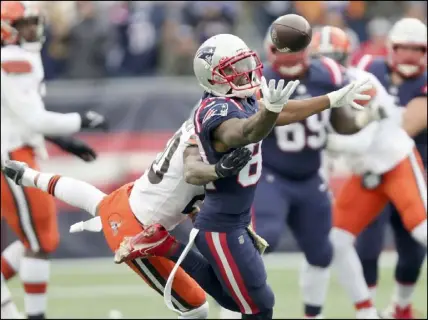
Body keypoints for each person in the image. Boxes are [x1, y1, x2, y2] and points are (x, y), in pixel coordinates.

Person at [310, 25, 426, 319]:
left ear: (347, 57)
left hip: (396, 162)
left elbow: (362, 139)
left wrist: (323, 141)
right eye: (321, 59)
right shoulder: (310, 89)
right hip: (367, 173)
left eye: (335, 57)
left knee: (421, 231)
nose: (328, 66)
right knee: (336, 240)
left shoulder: (361, 82)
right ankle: (366, 311)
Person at [1, 2, 107, 319]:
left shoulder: (16, 58)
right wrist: (82, 120)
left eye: (34, 22)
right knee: (40, 240)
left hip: (17, 148)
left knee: (41, 236)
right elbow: (33, 118)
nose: (34, 29)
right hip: (10, 156)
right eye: (26, 23)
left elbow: (18, 117)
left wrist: (64, 141)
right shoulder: (13, 59)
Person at [355, 18, 427, 319]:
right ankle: (368, 310)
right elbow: (350, 113)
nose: (410, 55)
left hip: (414, 171)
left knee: (412, 249)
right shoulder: (370, 69)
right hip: (372, 172)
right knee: (367, 246)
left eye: (417, 49)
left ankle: (400, 306)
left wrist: (373, 120)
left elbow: (408, 126)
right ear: (391, 48)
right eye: (404, 48)